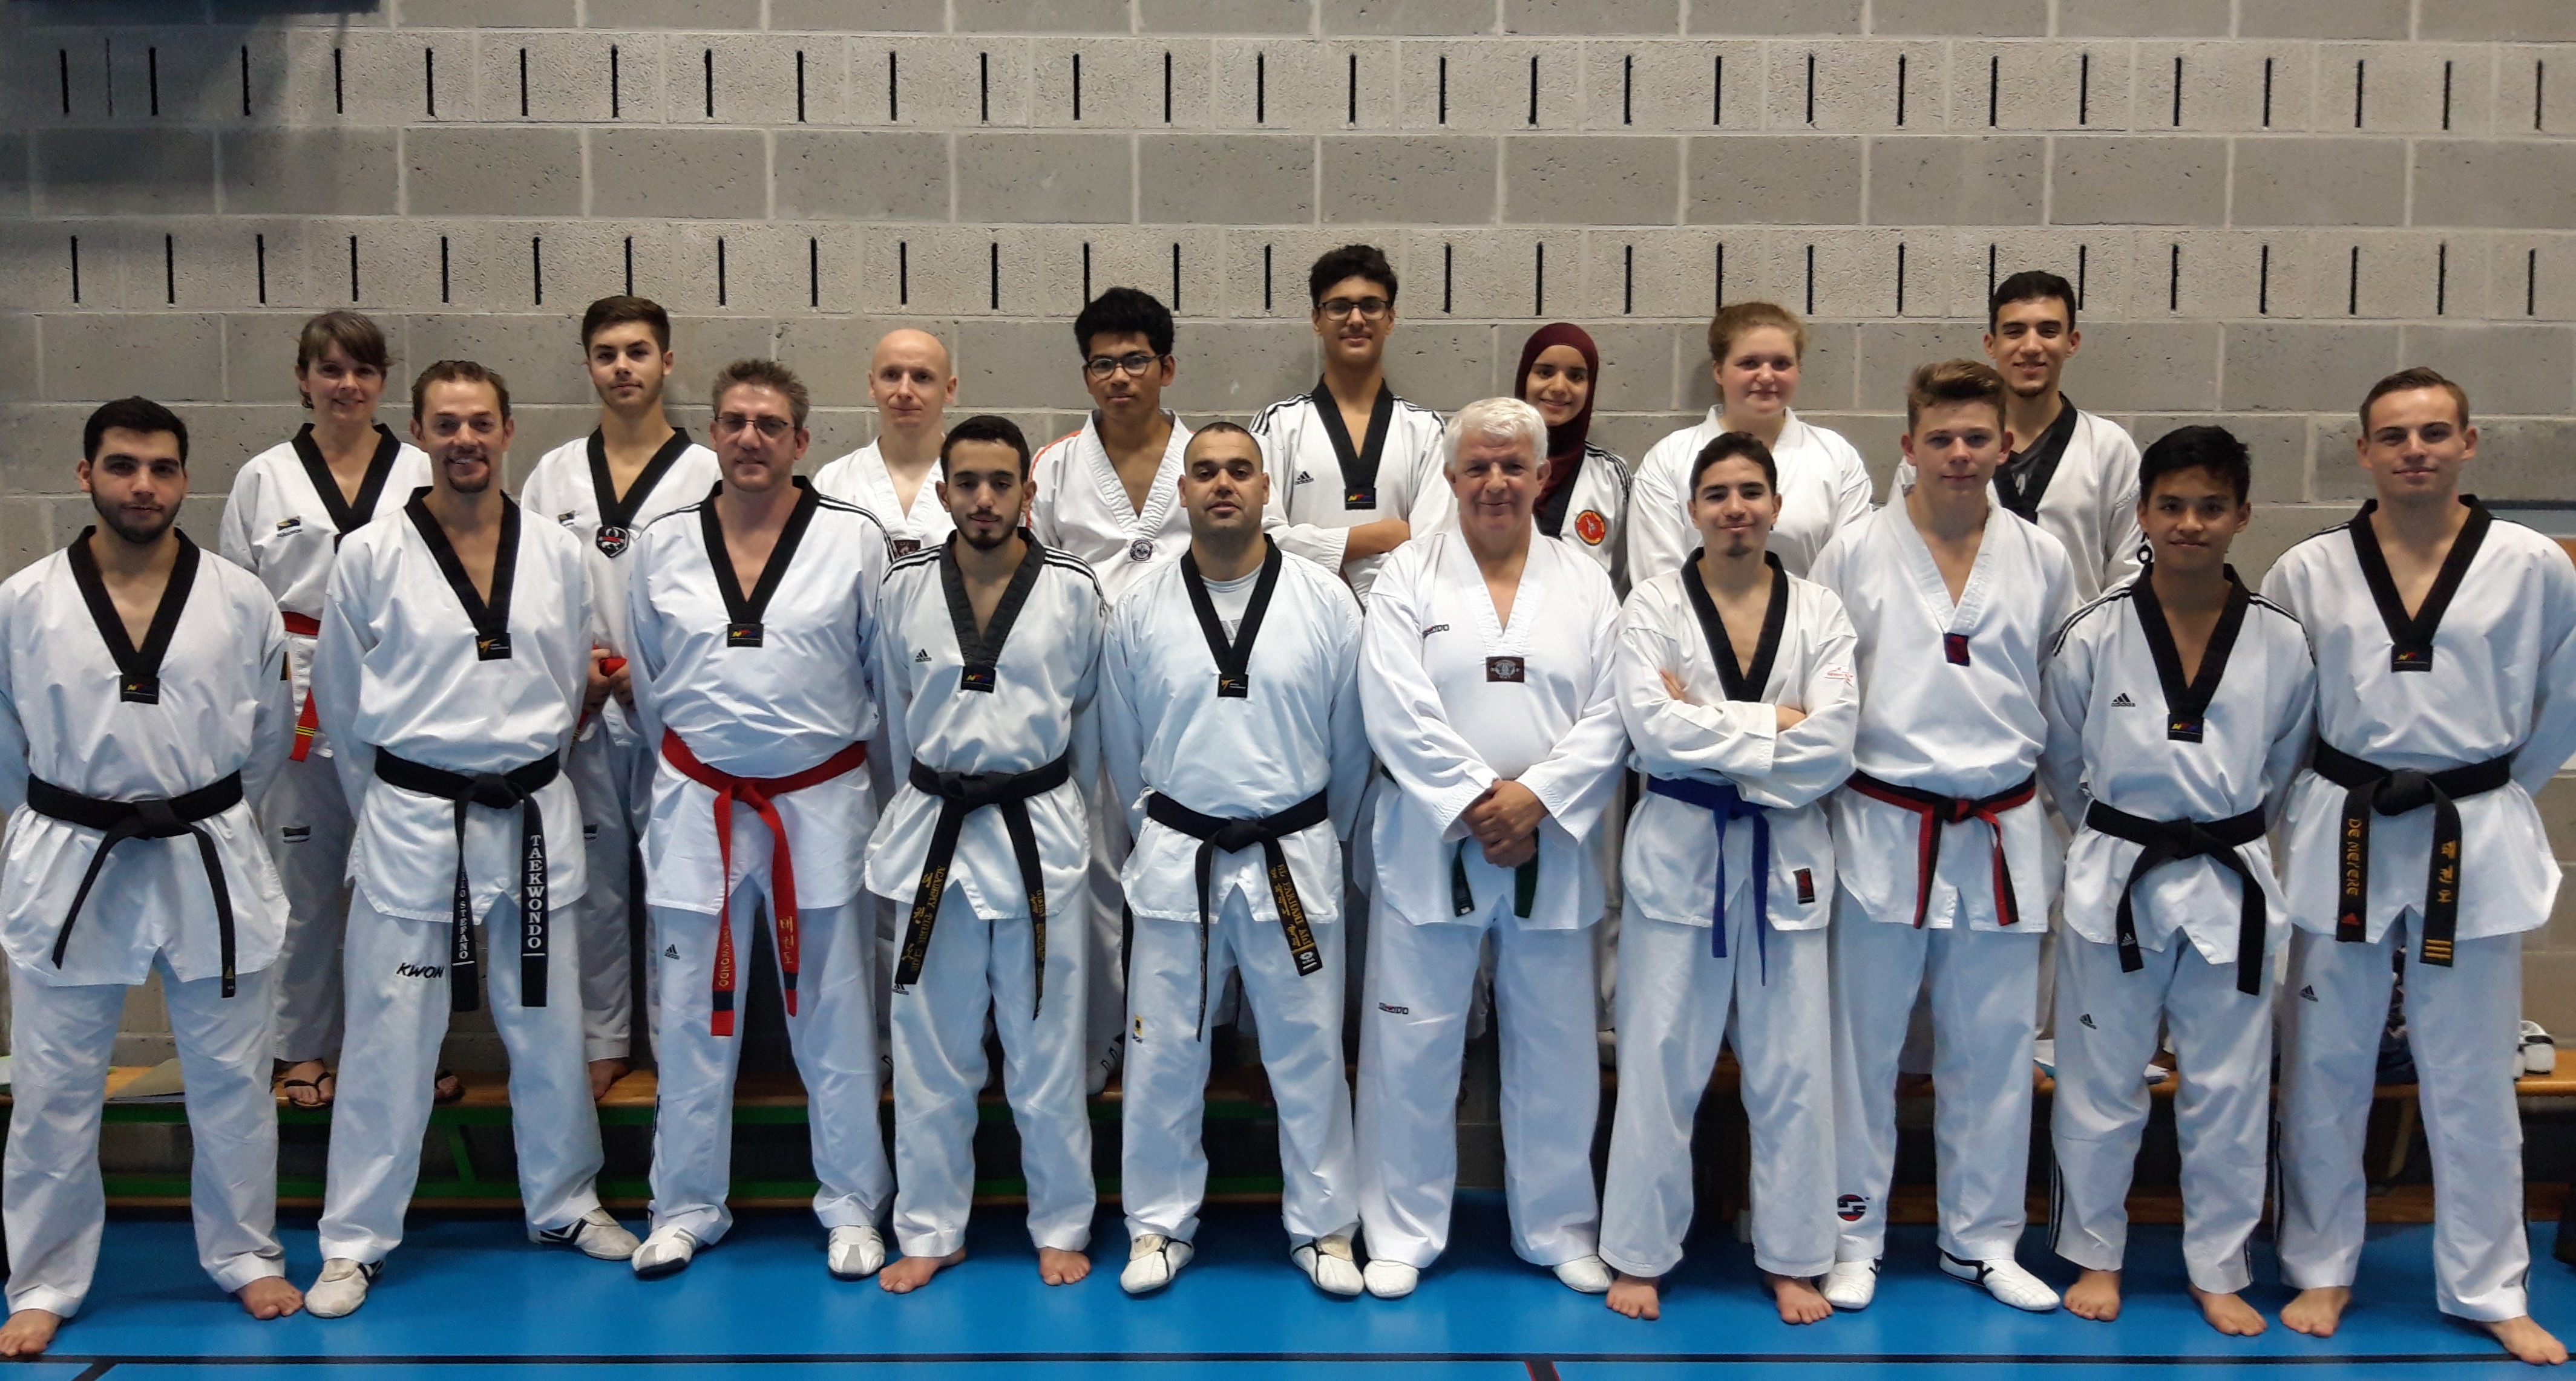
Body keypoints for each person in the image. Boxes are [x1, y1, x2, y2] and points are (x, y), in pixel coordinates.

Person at [302, 361, 638, 1319]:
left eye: (481, 422)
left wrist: (533, 761)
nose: (464, 440)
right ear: (417, 432)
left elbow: (572, 682)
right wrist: (392, 802)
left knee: (547, 1021)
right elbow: (340, 703)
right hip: (416, 819)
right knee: (390, 1033)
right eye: (446, 423)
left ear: (507, 430)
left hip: (530, 813)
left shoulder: (559, 551)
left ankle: (564, 1202)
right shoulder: (370, 553)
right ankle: (355, 1237)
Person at [2266, 368, 2576, 1366]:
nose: (2414, 449)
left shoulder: (2533, 564)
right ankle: (2320, 1264)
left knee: (2472, 1072)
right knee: (2324, 1061)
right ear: (2362, 450)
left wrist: (2490, 786)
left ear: (2468, 442)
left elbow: (2563, 698)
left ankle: (2490, 1285)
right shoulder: (2306, 569)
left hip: (2469, 828)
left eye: (2434, 432)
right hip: (2343, 825)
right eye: (2394, 435)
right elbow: (2282, 711)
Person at [0, 400, 303, 1359]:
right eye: (123, 465)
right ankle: (43, 1278)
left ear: (185, 478)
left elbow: (266, 741)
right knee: (54, 1086)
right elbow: (6, 747)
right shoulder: (23, 601)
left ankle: (245, 1253)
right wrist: (58, 819)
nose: (143, 485)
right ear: (84, 473)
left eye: (163, 468)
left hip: (206, 848)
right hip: (71, 854)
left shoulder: (240, 599)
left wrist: (202, 805)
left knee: (232, 1078)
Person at [1812, 360, 2076, 1315]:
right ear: (1908, 446)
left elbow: (2060, 698)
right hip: (1882, 823)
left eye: (1976, 438)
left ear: (2004, 444)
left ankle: (1983, 1239)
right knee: (1862, 1046)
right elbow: (1823, 695)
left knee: (1994, 1047)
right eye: (1941, 438)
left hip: (2001, 827)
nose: (1959, 454)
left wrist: (2073, 818)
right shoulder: (1852, 552)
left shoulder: (2043, 557)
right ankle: (1851, 1233)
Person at [623, 360, 895, 1281]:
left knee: (835, 1017)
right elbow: (652, 684)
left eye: (770, 424)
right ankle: (684, 1206)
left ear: (801, 441)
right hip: (699, 802)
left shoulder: (854, 540)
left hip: (819, 803)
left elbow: (881, 676)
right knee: (690, 1019)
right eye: (735, 421)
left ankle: (853, 1205)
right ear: (712, 434)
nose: (750, 438)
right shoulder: (662, 543)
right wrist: (706, 764)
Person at [2037, 426, 2313, 1336]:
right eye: (2171, 506)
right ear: (2144, 514)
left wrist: (2226, 831)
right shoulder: (2093, 632)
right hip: (2117, 874)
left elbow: (2284, 765)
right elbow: (2061, 758)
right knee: (2098, 1080)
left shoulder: (2282, 640)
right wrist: (2113, 833)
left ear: (2243, 515)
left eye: (2210, 506)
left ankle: (2219, 1267)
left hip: (2232, 880)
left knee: (2229, 1087)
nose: (2189, 523)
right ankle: (2095, 1253)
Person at [1353, 397, 1626, 1301]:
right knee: (1412, 1046)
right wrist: (1478, 798)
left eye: (1514, 466)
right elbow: (1392, 703)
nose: (1496, 481)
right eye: (1478, 466)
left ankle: (1558, 1226)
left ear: (1543, 476)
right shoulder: (1408, 574)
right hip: (1434, 839)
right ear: (1450, 477)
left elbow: (1614, 710)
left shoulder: (1586, 581)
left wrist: (1536, 797)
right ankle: (1401, 1229)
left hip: (1552, 841)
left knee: (1556, 1049)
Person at [1101, 423, 1372, 1298]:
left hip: (1292, 853)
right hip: (1179, 857)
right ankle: (1158, 1223)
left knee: (1308, 1050)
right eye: (1206, 471)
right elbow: (1122, 748)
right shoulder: (1139, 605)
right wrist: (1164, 828)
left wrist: (1311, 828)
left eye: (1240, 471)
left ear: (1266, 489)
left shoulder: (1327, 602)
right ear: (1183, 491)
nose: (1223, 483)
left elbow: (1351, 746)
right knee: (1163, 1054)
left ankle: (1324, 1226)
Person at [1598, 432, 1860, 1326]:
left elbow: (1834, 744)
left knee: (1793, 1070)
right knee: (1659, 1062)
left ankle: (1794, 1257)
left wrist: (1709, 722)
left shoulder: (1820, 609)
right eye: (1717, 493)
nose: (1735, 507)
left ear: (1776, 506)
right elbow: (1651, 730)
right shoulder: (1651, 604)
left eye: (1751, 491)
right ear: (1693, 510)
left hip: (1784, 858)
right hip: (1680, 854)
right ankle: (1639, 1252)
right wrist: (1774, 723)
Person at [865, 415, 1107, 1294]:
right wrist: (927, 791)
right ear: (942, 493)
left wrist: (1072, 813)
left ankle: (1061, 1223)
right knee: (930, 1050)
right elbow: (896, 719)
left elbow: (1090, 720)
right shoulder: (902, 589)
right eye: (966, 482)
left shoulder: (1073, 589)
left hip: (1039, 831)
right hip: (935, 829)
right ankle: (932, 1228)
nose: (983, 499)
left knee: (1047, 1047)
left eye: (1001, 482)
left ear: (1027, 492)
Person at [218, 310, 430, 1111]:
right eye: (331, 369)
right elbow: (235, 606)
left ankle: (406, 1052)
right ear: (303, 379)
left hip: (397, 692)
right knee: (302, 888)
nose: (347, 385)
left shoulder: (420, 470)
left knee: (405, 890)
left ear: (383, 382)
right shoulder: (264, 477)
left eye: (363, 370)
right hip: (295, 697)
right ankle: (301, 1048)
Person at [519, 295, 720, 1099]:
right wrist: (579, 670)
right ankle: (603, 1040)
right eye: (606, 354)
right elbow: (530, 590)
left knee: (679, 881)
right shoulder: (554, 473)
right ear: (589, 366)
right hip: (585, 703)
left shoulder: (708, 470)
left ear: (667, 362)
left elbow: (727, 590)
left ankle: (679, 1039)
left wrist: (659, 668)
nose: (622, 367)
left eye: (638, 351)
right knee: (594, 883)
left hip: (674, 703)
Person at [1029, 286, 1195, 1095]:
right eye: (1103, 363)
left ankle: (1184, 1035)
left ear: (1166, 367)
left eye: (1135, 360)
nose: (1120, 377)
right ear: (1086, 374)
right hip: (1088, 693)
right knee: (1094, 868)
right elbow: (1029, 583)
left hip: (1183, 689)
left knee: (1182, 863)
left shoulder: (1205, 457)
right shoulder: (1056, 465)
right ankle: (1099, 1034)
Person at [1890, 272, 2143, 604]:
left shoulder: (2110, 449)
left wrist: (2093, 633)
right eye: (2014, 331)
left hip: (2077, 634)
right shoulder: (1936, 453)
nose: (2031, 347)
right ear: (1991, 344)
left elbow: (2131, 572)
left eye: (2048, 331)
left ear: (2072, 342)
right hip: (1958, 631)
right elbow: (1897, 554)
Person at [1251, 244, 1451, 605]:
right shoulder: (1278, 425)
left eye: (1371, 306)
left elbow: (1434, 551)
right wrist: (1381, 536)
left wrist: (1336, 566)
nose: (1356, 319)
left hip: (1397, 621)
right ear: (1317, 320)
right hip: (1302, 617)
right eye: (1339, 306)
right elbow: (1261, 539)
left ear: (1390, 319)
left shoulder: (1427, 431)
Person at [1627, 302, 1872, 586]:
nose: (1766, 376)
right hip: (1692, 615)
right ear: (1719, 371)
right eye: (1749, 363)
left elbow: (1853, 569)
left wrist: (1806, 614)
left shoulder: (1837, 457)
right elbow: (1658, 583)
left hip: (1814, 614)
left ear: (1799, 370)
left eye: (1781, 364)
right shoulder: (1669, 459)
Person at [814, 327, 961, 558]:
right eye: (892, 375)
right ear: (873, 385)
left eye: (922, 377)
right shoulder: (833, 481)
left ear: (949, 389)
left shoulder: (977, 483)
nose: (904, 391)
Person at [1515, 323, 1631, 586]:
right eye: (1545, 372)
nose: (1559, 387)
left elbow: (1623, 577)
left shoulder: (1610, 476)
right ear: (1524, 378)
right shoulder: (1489, 466)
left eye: (1576, 377)